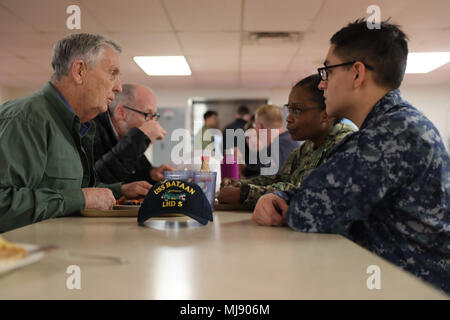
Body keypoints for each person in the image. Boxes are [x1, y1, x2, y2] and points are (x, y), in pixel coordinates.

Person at [252, 19, 450, 293]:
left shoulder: (392, 133)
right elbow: (326, 193)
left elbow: (311, 211)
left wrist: (285, 200)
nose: (322, 85)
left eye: (327, 72)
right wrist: (283, 197)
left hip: (412, 288)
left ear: (357, 74)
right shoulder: (390, 125)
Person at [0, 33, 150, 232]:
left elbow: (69, 190)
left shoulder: (80, 126)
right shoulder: (26, 119)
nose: (118, 87)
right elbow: (4, 203)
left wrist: (119, 190)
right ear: (79, 71)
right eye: (112, 73)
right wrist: (81, 199)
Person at [218, 74, 356, 206]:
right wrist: (241, 184)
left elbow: (306, 192)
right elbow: (281, 179)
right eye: (289, 110)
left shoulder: (346, 144)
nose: (288, 118)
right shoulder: (307, 147)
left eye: (297, 111)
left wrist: (245, 194)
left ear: (325, 114)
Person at [93, 84, 175, 184]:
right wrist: (140, 137)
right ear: (121, 113)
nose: (153, 123)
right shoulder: (91, 130)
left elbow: (128, 177)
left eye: (154, 116)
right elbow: (97, 180)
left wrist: (151, 174)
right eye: (148, 115)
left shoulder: (126, 135)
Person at [241, 104, 299, 178]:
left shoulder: (276, 148)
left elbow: (267, 183)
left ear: (260, 127)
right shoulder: (290, 141)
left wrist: (239, 183)